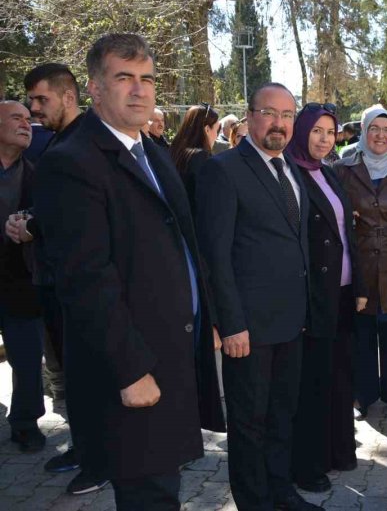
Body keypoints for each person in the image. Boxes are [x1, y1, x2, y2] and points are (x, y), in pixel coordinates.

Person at [32, 33, 224, 510]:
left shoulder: (154, 152)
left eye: (147, 79)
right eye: (124, 79)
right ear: (94, 89)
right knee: (148, 493)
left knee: (164, 486)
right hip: (132, 368)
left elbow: (186, 243)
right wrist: (131, 369)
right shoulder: (71, 163)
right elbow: (85, 281)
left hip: (172, 353)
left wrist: (211, 319)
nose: (139, 91)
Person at [195, 83, 318, 511]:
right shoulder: (222, 170)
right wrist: (230, 324)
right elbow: (215, 255)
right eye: (269, 113)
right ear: (249, 116)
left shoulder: (293, 172)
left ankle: (281, 492)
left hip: (291, 321)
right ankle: (254, 501)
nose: (279, 123)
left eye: (287, 115)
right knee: (250, 423)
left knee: (282, 416)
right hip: (247, 328)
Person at [12, 62, 106, 492]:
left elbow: (78, 216)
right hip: (53, 280)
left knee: (88, 375)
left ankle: (99, 459)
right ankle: (86, 448)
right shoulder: (60, 142)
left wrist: (31, 227)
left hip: (78, 283)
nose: (33, 108)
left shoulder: (85, 143)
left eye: (40, 99)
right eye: (30, 100)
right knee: (71, 372)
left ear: (69, 97)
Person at [285, 104, 368, 493]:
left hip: (343, 291)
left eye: (330, 132)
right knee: (313, 384)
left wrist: (361, 288)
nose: (323, 139)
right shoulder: (291, 174)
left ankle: (338, 450)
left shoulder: (329, 174)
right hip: (314, 295)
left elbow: (348, 238)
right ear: (302, 131)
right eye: (316, 131)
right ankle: (307, 463)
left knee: (340, 378)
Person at [333, 106, 387, 418]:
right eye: (374, 129)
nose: (381, 136)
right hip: (358, 259)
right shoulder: (342, 169)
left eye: (386, 130)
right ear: (364, 132)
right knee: (362, 328)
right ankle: (362, 394)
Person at [0, 101, 46, 453]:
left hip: (19, 281)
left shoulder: (37, 173)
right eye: (17, 118)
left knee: (28, 357)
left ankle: (26, 424)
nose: (26, 124)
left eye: (29, 119)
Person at [168, 104, 220, 212]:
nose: (217, 135)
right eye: (217, 130)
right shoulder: (201, 158)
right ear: (207, 130)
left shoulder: (172, 152)